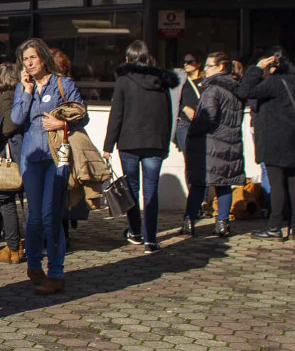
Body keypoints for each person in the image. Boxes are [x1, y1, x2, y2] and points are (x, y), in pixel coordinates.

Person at [11, 38, 86, 295]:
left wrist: (62, 125)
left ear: (43, 57)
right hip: (31, 157)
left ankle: (56, 273)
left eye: (32, 57)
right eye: (25, 60)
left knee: (50, 215)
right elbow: (16, 119)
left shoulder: (63, 83)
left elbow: (81, 114)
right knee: (33, 218)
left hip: (58, 156)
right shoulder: (24, 87)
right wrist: (27, 92)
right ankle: (33, 265)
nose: (29, 63)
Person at [102, 41, 178, 252]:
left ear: (128, 59)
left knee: (132, 190)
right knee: (151, 191)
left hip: (129, 143)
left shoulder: (124, 81)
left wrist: (108, 145)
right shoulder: (161, 82)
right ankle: (151, 240)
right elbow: (167, 116)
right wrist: (165, 143)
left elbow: (116, 115)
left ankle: (135, 231)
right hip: (154, 143)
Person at [236, 46, 295, 241]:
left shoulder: (275, 82)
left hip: (274, 140)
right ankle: (293, 227)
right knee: (293, 182)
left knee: (277, 184)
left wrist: (256, 68)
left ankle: (275, 227)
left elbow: (243, 91)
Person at [183, 52, 244, 237]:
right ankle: (222, 224)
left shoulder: (212, 90)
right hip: (230, 143)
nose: (206, 70)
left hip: (210, 145)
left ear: (220, 67)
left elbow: (206, 118)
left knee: (199, 184)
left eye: (209, 66)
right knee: (224, 184)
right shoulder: (236, 89)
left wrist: (192, 131)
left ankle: (189, 222)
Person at [0, 64, 24, 263]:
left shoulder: (7, 96)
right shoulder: (18, 95)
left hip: (9, 155)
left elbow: (8, 125)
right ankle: (15, 244)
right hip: (18, 154)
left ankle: (13, 247)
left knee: (4, 200)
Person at [175, 53, 205, 152]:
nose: (186, 64)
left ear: (198, 63)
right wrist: (184, 108)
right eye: (185, 62)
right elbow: (173, 101)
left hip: (202, 122)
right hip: (185, 123)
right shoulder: (181, 82)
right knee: (188, 157)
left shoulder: (205, 81)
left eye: (190, 62)